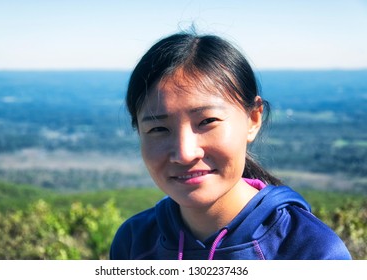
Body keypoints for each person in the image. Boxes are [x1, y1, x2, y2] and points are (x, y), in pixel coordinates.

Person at [109, 31, 352, 260]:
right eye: (158, 129)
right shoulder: (134, 242)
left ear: (253, 119)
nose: (184, 153)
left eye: (207, 121)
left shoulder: (310, 250)